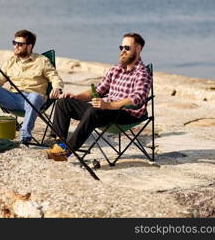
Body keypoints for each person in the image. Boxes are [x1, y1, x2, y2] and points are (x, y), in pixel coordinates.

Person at [47, 32, 151, 161]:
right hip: (105, 112)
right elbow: (98, 90)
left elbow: (137, 99)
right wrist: (76, 96)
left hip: (127, 113)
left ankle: (67, 151)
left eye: (127, 48)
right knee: (64, 102)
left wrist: (107, 105)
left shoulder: (142, 73)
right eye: (121, 47)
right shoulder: (116, 69)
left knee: (94, 110)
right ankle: (59, 145)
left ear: (138, 49)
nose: (123, 51)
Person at [0, 29, 64, 144]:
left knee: (35, 97)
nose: (16, 46)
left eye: (20, 44)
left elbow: (54, 77)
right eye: (14, 43)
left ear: (30, 46)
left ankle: (25, 134)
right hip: (13, 98)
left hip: (33, 100)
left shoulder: (42, 61)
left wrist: (56, 87)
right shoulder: (10, 62)